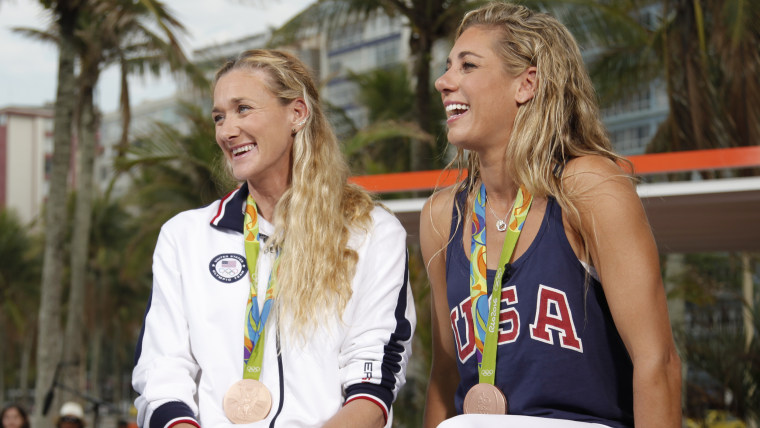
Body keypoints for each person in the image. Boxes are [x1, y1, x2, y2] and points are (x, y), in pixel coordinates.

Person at [420, 2, 681, 427]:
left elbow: (658, 363)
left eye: (467, 66)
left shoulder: (588, 188)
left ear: (526, 84)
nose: (443, 81)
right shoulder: (440, 216)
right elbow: (444, 378)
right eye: (448, 66)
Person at [132, 49, 415, 428]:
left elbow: (374, 378)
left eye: (243, 109)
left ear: (296, 113)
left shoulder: (371, 231)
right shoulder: (184, 237)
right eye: (219, 116)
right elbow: (161, 373)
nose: (226, 131)